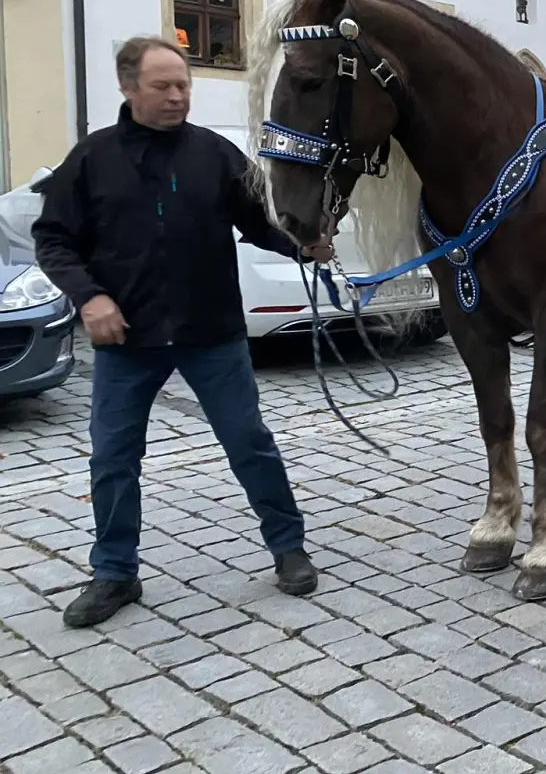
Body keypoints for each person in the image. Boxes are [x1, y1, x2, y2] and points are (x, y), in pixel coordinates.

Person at [32, 36, 328, 628]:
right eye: (163, 86)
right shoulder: (92, 159)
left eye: (184, 85)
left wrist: (305, 244)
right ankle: (115, 573)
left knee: (249, 442)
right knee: (114, 458)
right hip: (127, 341)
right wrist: (89, 297)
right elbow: (53, 239)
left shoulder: (216, 155)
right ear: (128, 88)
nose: (177, 96)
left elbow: (261, 221)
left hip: (211, 332)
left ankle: (288, 547)